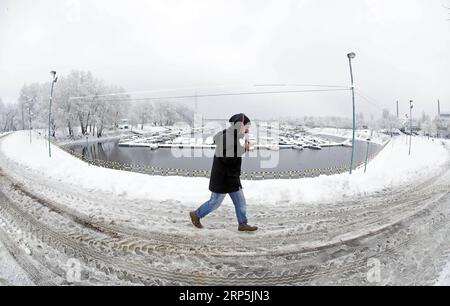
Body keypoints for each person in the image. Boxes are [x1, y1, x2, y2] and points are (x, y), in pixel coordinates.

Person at [189, 113, 258, 232]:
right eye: (247, 126)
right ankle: (196, 215)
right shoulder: (227, 137)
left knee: (241, 202)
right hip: (223, 178)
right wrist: (243, 148)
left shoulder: (235, 136)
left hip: (231, 178)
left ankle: (242, 224)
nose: (248, 129)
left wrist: (243, 146)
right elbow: (228, 159)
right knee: (214, 203)